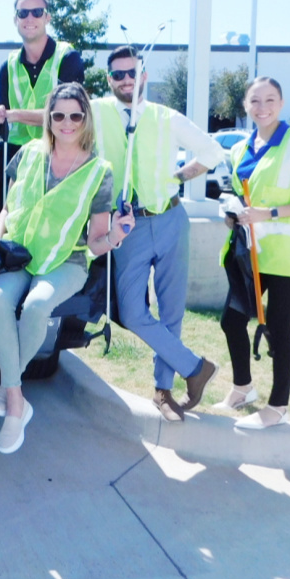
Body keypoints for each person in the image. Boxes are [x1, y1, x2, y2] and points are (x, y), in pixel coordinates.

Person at [0, 83, 132, 453]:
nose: (67, 123)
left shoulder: (100, 171)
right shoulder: (28, 153)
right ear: (49, 118)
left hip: (69, 259)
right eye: (58, 115)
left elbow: (97, 242)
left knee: (36, 306)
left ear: (86, 121)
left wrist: (115, 235)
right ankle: (17, 399)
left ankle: (10, 396)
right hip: (19, 254)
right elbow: (7, 208)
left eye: (75, 116)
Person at [92, 46, 225, 423]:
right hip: (128, 225)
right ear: (109, 80)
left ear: (143, 75)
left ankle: (163, 391)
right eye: (118, 75)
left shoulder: (167, 118)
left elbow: (213, 152)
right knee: (133, 312)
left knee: (171, 310)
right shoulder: (99, 112)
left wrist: (179, 178)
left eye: (132, 72)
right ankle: (195, 367)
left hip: (169, 219)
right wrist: (6, 114)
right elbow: (57, 114)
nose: (126, 80)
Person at [216, 77, 290, 428]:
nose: (263, 107)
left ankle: (278, 407)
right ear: (246, 105)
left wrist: (268, 214)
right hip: (251, 254)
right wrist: (233, 214)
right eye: (255, 101)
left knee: (279, 329)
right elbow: (243, 194)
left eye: (270, 100)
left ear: (281, 102)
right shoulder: (240, 148)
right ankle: (243, 388)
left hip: (288, 257)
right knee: (232, 320)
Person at [0, 0, 84, 238]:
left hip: (56, 149)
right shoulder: (9, 65)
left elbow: (65, 113)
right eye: (23, 13)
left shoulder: (67, 58)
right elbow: (0, 109)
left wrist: (10, 115)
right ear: (16, 20)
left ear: (47, 18)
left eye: (37, 12)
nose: (30, 17)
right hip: (15, 150)